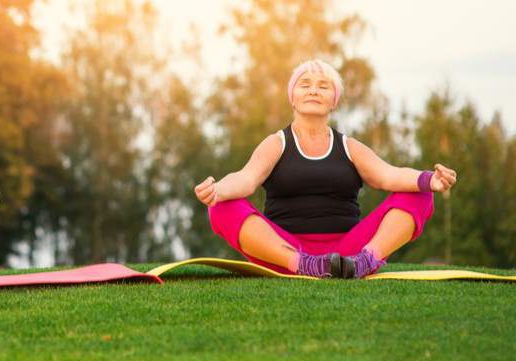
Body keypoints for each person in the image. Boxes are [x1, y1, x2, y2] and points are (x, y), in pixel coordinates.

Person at [193, 59, 457, 278]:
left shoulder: (350, 146)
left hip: (347, 253)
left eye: (323, 86)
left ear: (334, 101)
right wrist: (217, 189)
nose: (313, 91)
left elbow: (389, 175)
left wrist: (429, 180)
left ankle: (366, 262)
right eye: (304, 84)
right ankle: (305, 265)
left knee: (420, 193)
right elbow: (245, 179)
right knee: (221, 205)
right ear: (293, 99)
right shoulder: (276, 143)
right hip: (286, 252)